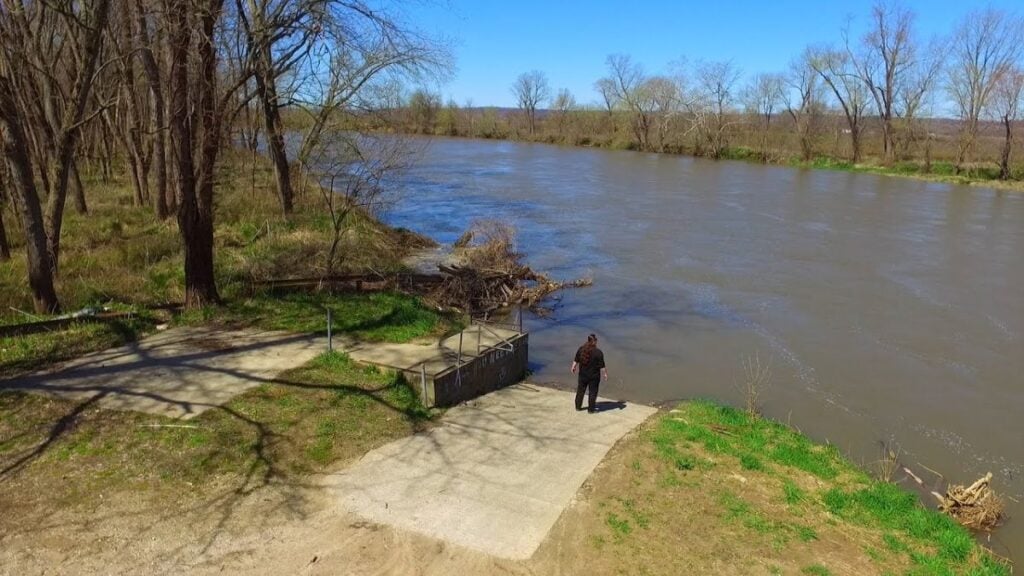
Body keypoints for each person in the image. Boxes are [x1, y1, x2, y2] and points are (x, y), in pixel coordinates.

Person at [571, 333, 607, 413]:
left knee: (580, 391)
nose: (597, 342)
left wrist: (573, 367)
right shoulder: (598, 352)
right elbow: (602, 366)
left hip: (583, 375)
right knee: (592, 393)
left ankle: (578, 407)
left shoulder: (581, 349)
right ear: (594, 341)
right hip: (594, 377)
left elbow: (576, 360)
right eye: (596, 340)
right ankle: (590, 410)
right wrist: (605, 374)